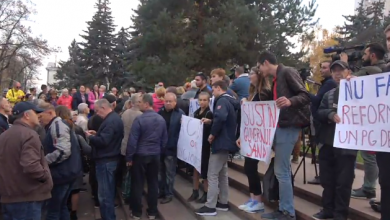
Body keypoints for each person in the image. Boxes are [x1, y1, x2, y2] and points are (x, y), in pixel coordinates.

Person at [257, 51, 310, 220]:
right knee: (283, 169)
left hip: (289, 127)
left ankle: (287, 211)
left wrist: (290, 101)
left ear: (265, 62)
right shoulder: (275, 79)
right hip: (281, 127)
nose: (259, 70)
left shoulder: (287, 72)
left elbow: (305, 95)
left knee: (281, 171)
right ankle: (284, 208)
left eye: (259, 67)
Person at [312, 60, 357, 220]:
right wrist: (330, 115)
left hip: (347, 146)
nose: (337, 73)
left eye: (341, 70)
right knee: (327, 179)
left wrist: (357, 82)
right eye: (334, 71)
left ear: (348, 71)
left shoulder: (358, 90)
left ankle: (340, 214)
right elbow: (319, 112)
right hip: (328, 143)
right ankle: (327, 209)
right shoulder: (328, 94)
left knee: (343, 183)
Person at [0, 102, 52, 220]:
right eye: (36, 112)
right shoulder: (29, 134)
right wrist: (45, 178)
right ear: (27, 115)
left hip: (9, 197)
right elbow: (31, 165)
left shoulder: (4, 135)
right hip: (27, 198)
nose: (39, 115)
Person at [195, 80, 240, 216]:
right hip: (227, 141)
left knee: (212, 174)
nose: (212, 93)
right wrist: (211, 121)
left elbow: (220, 117)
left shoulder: (222, 101)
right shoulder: (231, 101)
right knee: (222, 174)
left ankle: (210, 205)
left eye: (213, 90)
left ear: (219, 88)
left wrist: (213, 134)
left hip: (220, 142)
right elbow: (223, 119)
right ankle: (223, 202)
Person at [236, 67, 272, 213]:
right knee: (248, 168)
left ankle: (258, 200)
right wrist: (241, 135)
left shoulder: (264, 93)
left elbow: (263, 114)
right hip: (251, 136)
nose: (249, 76)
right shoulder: (253, 93)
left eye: (252, 74)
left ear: (259, 75)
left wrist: (247, 103)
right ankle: (253, 198)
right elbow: (248, 119)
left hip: (259, 138)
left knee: (251, 167)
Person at [126, 93, 168, 219]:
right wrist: (159, 151)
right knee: (153, 183)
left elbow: (132, 140)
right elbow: (164, 139)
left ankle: (137, 212)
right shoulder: (161, 119)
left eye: (140, 102)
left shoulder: (139, 119)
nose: (139, 104)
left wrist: (129, 157)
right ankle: (152, 212)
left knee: (137, 184)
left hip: (140, 155)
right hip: (155, 154)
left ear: (146, 104)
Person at [38, 102, 83, 220]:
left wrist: (43, 162)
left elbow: (63, 151)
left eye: (40, 117)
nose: (39, 120)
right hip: (67, 174)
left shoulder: (57, 125)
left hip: (61, 175)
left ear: (49, 112)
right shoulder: (58, 125)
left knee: (52, 211)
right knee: (61, 207)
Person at [85, 99, 124, 220]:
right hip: (108, 158)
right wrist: (97, 134)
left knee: (105, 195)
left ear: (103, 108)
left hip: (106, 160)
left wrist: (91, 137)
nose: (96, 113)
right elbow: (108, 137)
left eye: (97, 110)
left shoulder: (111, 121)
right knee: (106, 193)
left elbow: (104, 142)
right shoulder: (112, 118)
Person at [158, 92, 185, 204]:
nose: (167, 103)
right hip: (159, 147)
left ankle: (169, 193)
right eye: (166, 101)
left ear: (175, 102)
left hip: (171, 147)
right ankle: (161, 191)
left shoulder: (180, 114)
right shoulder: (160, 112)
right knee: (160, 172)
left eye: (170, 101)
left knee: (170, 172)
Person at [187, 92, 213, 203]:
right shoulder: (196, 112)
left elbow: (212, 125)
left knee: (204, 170)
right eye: (200, 100)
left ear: (208, 101)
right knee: (195, 169)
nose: (202, 102)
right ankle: (195, 191)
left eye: (204, 100)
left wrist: (209, 123)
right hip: (196, 144)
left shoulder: (209, 113)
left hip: (205, 145)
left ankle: (206, 193)